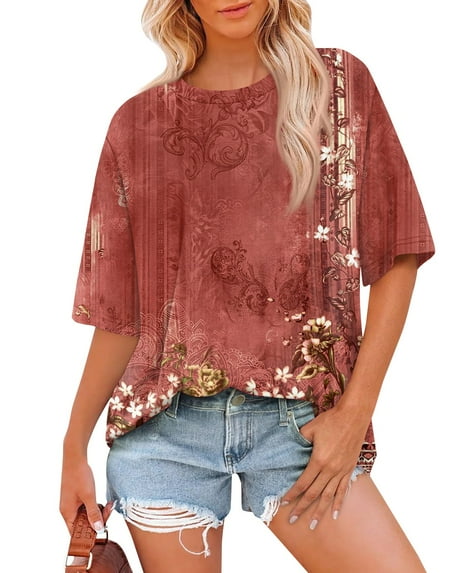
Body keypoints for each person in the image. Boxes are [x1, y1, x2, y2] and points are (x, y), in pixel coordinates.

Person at [60, 0, 435, 571]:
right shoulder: (138, 124)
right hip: (163, 435)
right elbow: (120, 317)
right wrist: (74, 447)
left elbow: (397, 257)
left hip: (301, 426)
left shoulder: (338, 87)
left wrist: (355, 414)